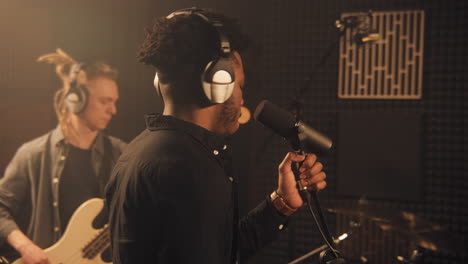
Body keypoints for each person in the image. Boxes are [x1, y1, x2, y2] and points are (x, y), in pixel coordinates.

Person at [105, 8, 327, 264]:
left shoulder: (137, 152)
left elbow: (221, 251)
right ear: (217, 83)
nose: (242, 98)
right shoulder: (190, 170)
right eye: (240, 85)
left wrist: (282, 203)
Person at [0, 49, 126, 264]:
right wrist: (26, 247)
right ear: (76, 99)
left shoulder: (121, 154)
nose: (113, 110)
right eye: (104, 101)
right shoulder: (33, 154)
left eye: (114, 101)